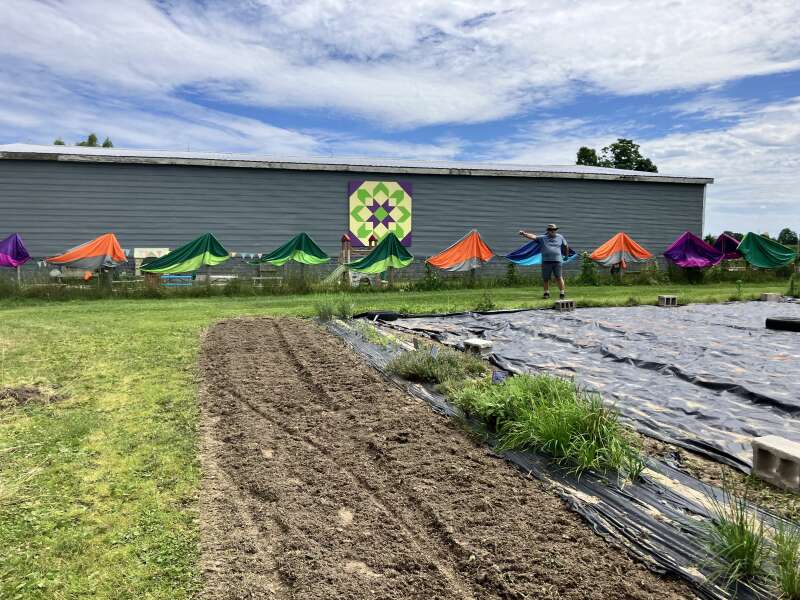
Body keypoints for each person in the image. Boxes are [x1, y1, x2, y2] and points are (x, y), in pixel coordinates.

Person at [518, 224, 569, 299]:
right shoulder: (542, 238)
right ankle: (546, 293)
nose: (553, 231)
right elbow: (533, 236)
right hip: (546, 261)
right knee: (546, 278)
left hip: (557, 261)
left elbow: (566, 246)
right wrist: (524, 234)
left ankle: (562, 293)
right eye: (551, 230)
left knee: (558, 277)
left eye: (554, 230)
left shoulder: (560, 237)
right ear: (548, 231)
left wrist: (566, 255)